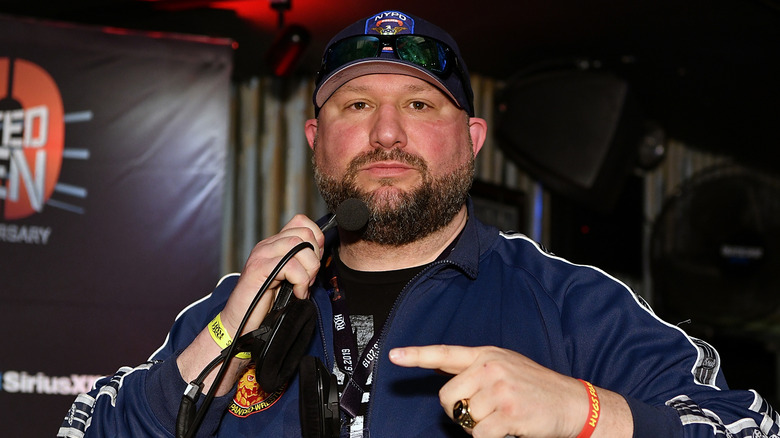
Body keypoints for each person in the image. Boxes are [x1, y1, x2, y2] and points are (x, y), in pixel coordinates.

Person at [59, 9, 779, 438]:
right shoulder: (243, 301)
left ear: (471, 140)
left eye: (421, 105)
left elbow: (752, 427)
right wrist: (221, 340)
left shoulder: (570, 304)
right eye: (356, 105)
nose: (386, 134)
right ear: (316, 140)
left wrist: (585, 413)